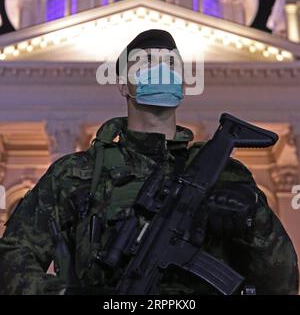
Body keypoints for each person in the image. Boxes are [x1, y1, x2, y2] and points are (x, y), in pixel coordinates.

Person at [0, 29, 298, 295]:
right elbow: (11, 258)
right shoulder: (74, 174)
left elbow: (282, 283)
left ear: (183, 86)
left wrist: (254, 220)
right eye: (144, 64)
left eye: (170, 65)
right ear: (122, 85)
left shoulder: (226, 174)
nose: (159, 72)